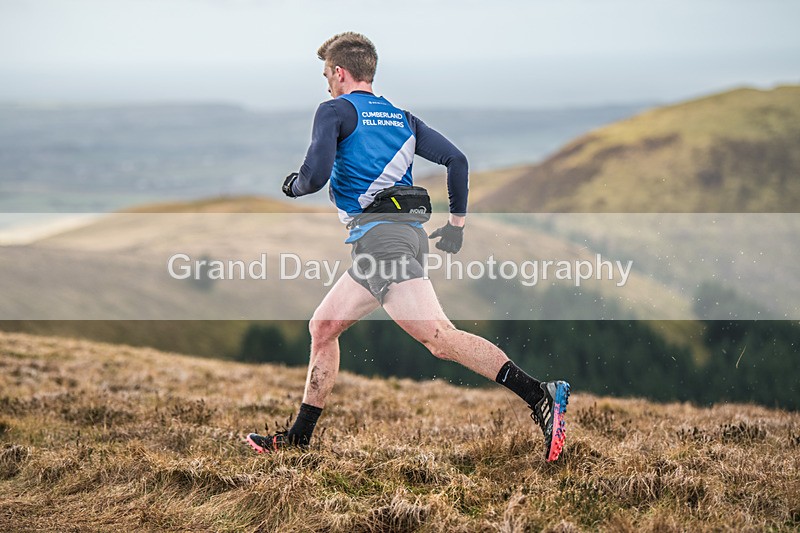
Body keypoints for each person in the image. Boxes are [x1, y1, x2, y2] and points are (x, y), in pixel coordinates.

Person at [246, 32, 570, 461]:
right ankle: (298, 440)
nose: (326, 83)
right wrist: (456, 225)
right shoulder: (402, 117)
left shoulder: (333, 110)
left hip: (384, 241)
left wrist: (294, 186)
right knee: (324, 327)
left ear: (340, 73)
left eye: (327, 74)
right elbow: (458, 160)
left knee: (438, 338)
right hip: (402, 236)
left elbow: (316, 174)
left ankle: (540, 395)